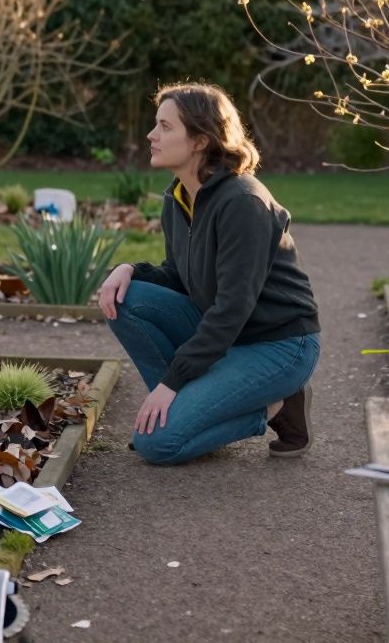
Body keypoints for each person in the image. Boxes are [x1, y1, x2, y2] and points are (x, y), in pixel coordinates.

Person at [98, 82, 321, 465]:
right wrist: (129, 269)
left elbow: (232, 309)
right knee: (127, 298)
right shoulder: (179, 196)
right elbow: (179, 275)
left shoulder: (243, 203)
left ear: (200, 140)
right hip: (228, 335)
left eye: (165, 127)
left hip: (278, 345)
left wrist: (173, 382)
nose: (152, 136)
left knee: (157, 446)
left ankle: (277, 407)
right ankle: (179, 415)